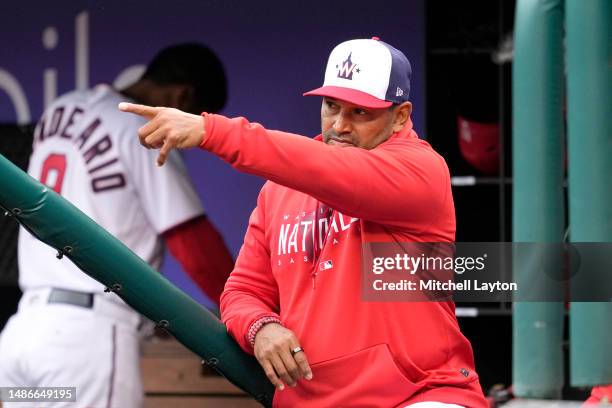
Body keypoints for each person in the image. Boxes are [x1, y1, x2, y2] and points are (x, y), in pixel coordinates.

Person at [120, 37, 488, 408]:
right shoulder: (280, 191)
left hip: (418, 395)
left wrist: (213, 132)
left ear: (401, 116)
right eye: (331, 106)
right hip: (312, 400)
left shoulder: (420, 169)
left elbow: (335, 172)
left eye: (360, 112)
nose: (340, 125)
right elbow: (242, 291)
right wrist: (260, 327)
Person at [0, 43, 234, 408]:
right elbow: (195, 246)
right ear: (182, 95)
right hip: (84, 347)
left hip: (22, 338)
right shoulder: (144, 130)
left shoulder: (61, 108)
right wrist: (249, 313)